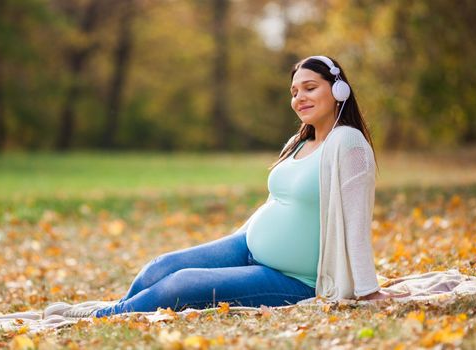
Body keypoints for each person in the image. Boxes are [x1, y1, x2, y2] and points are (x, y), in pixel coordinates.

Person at [47, 55, 408, 319]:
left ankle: (102, 317)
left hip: (293, 278)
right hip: (248, 246)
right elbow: (277, 203)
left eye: (310, 88)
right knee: (161, 266)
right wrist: (239, 241)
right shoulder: (300, 142)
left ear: (338, 89)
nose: (299, 98)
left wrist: (367, 289)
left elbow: (358, 220)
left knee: (182, 283)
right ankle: (120, 309)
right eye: (294, 91)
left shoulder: (348, 143)